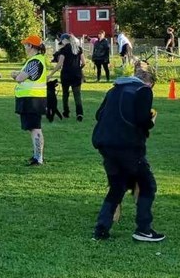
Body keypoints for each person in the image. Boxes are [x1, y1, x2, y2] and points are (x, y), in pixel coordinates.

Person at [91, 67, 163, 242]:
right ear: (149, 83)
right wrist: (151, 120)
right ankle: (144, 229)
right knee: (147, 185)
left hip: (104, 143)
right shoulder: (143, 91)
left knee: (117, 186)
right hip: (127, 146)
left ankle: (101, 229)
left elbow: (98, 114)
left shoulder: (114, 89)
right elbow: (142, 120)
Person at [11, 35, 49, 166]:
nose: (24, 47)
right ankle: (37, 156)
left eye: (26, 45)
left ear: (31, 46)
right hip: (32, 99)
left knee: (35, 128)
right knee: (33, 128)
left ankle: (38, 158)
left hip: (33, 100)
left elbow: (20, 78)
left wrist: (15, 75)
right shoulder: (36, 60)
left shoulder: (35, 61)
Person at [54, 34, 86, 121]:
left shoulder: (63, 50)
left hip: (66, 75)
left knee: (65, 94)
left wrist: (51, 74)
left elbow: (60, 64)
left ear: (65, 40)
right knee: (77, 95)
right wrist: (78, 69)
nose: (62, 44)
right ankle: (79, 113)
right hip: (76, 74)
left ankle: (66, 112)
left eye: (62, 42)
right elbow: (84, 62)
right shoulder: (79, 49)